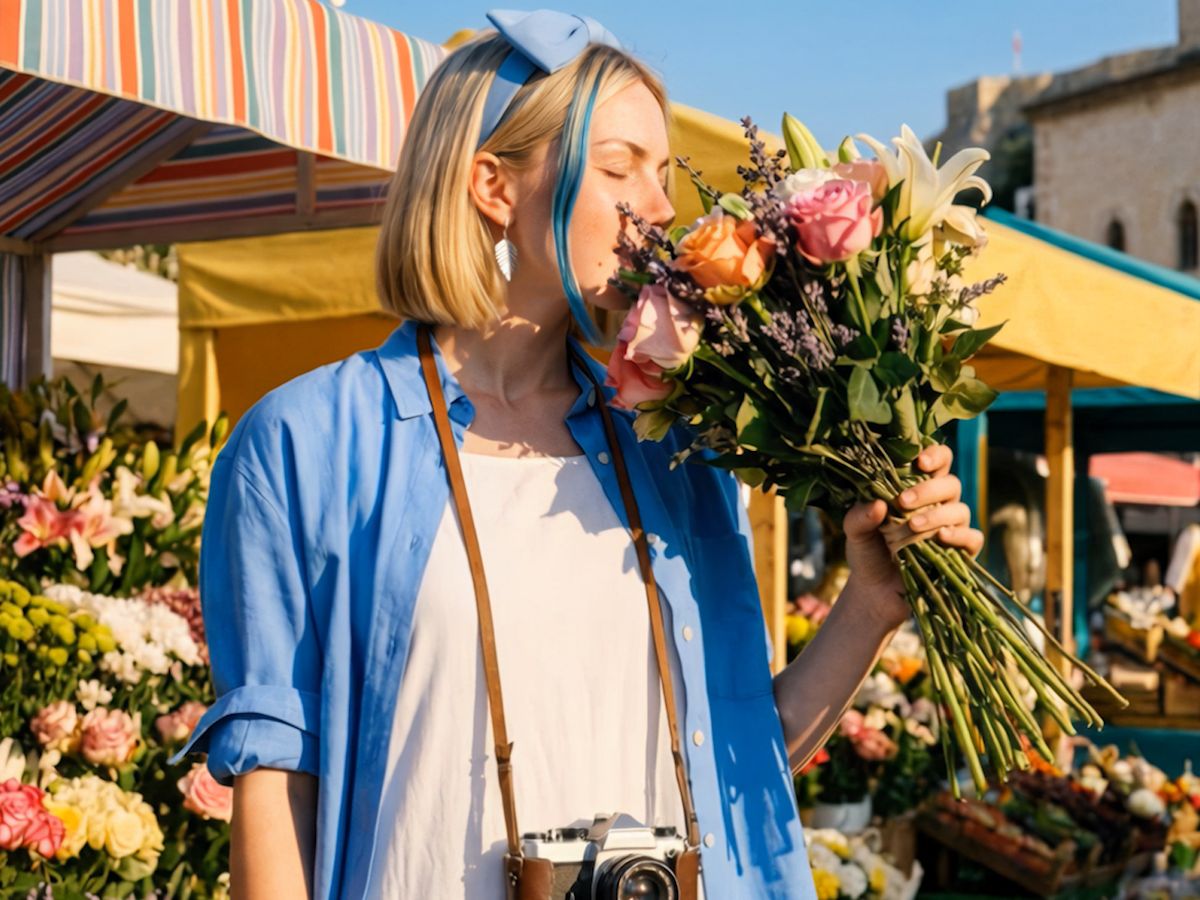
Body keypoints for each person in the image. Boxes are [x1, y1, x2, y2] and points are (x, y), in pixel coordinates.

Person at [170, 10, 983, 900]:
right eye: (619, 167)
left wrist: (871, 603)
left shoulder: (674, 446)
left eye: (663, 171)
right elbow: (277, 787)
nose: (666, 207)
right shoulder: (303, 444)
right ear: (492, 185)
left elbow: (741, 760)